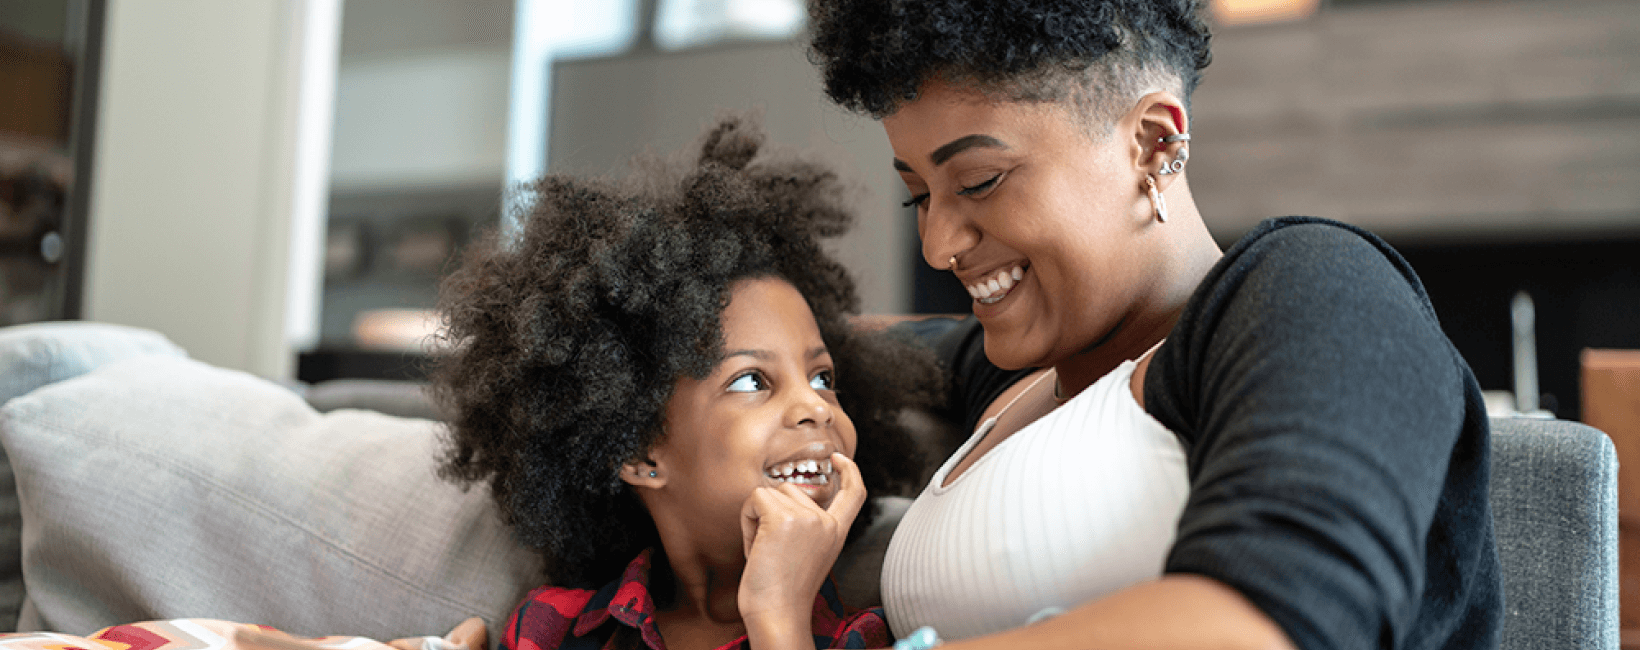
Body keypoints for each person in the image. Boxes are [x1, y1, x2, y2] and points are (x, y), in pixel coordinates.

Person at [805, 2, 1502, 649]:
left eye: (980, 181)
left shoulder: (1315, 285)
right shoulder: (1020, 371)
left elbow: (1269, 623)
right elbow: (846, 352)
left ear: (1151, 143)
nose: (938, 245)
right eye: (918, 197)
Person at [428, 116, 943, 650]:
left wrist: (778, 616)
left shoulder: (864, 637)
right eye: (751, 381)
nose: (814, 405)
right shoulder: (554, 628)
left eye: (822, 376)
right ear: (638, 450)